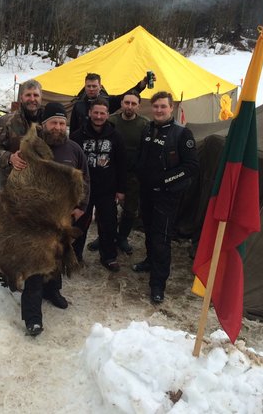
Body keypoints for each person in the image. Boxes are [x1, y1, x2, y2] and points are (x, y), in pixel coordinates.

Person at [17, 102, 90, 336]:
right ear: (44, 124)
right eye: (54, 123)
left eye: (62, 123)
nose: (58, 127)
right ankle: (32, 316)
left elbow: (85, 181)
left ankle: (53, 291)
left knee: (58, 257)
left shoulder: (74, 150)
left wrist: (81, 207)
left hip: (64, 218)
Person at [133, 91, 199, 304]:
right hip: (146, 192)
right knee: (149, 231)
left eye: (163, 106)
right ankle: (150, 261)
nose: (159, 110)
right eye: (156, 107)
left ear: (172, 108)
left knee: (162, 238)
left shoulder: (182, 134)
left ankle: (158, 284)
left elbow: (191, 166)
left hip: (168, 195)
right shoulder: (148, 128)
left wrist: (165, 181)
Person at [70, 98, 126, 271]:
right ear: (89, 113)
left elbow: (122, 164)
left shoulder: (116, 136)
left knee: (108, 224)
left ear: (108, 115)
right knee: (79, 224)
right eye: (96, 112)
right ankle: (74, 256)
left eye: (102, 113)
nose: (99, 116)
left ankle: (108, 256)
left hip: (107, 189)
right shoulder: (77, 136)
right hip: (83, 190)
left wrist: (121, 189)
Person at [107, 90, 150, 254]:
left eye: (133, 103)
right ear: (121, 104)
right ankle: (105, 235)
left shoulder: (145, 124)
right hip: (111, 172)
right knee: (107, 207)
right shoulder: (111, 121)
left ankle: (122, 237)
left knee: (130, 209)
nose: (129, 106)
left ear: (138, 106)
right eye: (127, 103)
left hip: (133, 174)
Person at [0, 79, 44, 188]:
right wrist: (10, 158)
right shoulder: (5, 122)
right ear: (21, 97)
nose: (32, 99)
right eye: (28, 95)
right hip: (13, 190)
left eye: (36, 95)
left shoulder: (48, 122)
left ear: (41, 98)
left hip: (41, 189)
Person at [68, 72, 150, 134]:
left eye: (94, 86)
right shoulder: (78, 105)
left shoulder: (108, 101)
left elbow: (126, 96)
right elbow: (73, 129)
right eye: (88, 86)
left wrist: (142, 84)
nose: (91, 89)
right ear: (85, 87)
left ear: (100, 87)